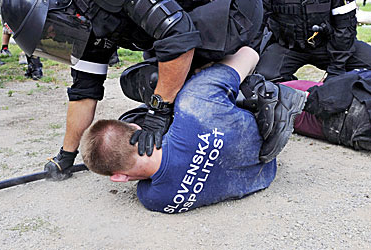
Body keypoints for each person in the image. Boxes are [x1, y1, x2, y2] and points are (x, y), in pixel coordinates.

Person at [1, 0, 293, 180]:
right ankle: (216, 104)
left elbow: (177, 36)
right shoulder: (86, 17)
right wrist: (65, 156)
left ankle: (262, 96)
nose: (57, 38)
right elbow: (83, 93)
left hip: (234, 5)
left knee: (161, 84)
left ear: (61, 5)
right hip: (194, 21)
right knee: (137, 82)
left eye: (53, 29)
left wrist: (158, 111)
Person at [81, 46, 306, 213]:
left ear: (119, 178)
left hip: (262, 178)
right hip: (263, 152)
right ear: (135, 127)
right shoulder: (195, 102)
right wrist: (203, 73)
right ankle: (268, 97)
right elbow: (250, 53)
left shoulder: (153, 198)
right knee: (221, 81)